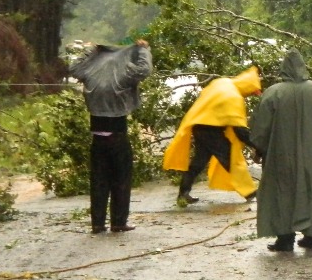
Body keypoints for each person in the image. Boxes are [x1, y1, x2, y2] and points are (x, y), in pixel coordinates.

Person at [250, 49, 312, 252]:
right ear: (304, 67)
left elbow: (260, 129)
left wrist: (260, 150)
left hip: (280, 155)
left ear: (283, 69)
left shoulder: (273, 93)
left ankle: (284, 239)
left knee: (281, 193)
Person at [69, 39, 153, 234]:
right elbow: (145, 69)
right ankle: (118, 222)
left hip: (97, 137)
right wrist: (143, 49)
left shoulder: (90, 72)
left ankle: (97, 225)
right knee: (121, 179)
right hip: (117, 134)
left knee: (98, 180)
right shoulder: (124, 72)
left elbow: (73, 68)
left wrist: (90, 51)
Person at [162, 65, 261, 207]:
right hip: (211, 130)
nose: (249, 96)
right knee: (232, 160)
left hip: (199, 126)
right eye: (251, 93)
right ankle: (250, 192)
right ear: (247, 88)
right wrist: (258, 146)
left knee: (198, 162)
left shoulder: (223, 82)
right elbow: (240, 131)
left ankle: (183, 193)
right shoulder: (233, 97)